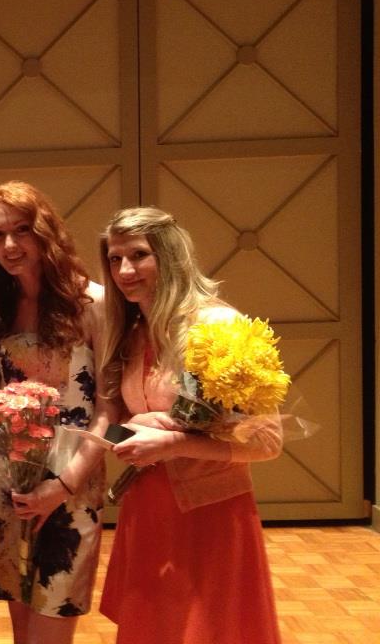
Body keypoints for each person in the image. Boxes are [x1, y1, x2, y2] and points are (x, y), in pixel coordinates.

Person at [96, 206, 282, 644]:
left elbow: (268, 441)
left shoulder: (219, 327)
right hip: (148, 508)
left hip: (210, 514)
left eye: (138, 255)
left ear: (169, 255)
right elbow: (126, 420)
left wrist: (173, 444)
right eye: (115, 259)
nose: (124, 271)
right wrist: (127, 429)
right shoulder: (131, 332)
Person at [0, 181, 113, 644]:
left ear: (45, 231)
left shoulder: (91, 302)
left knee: (52, 625)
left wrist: (63, 484)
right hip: (10, 484)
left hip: (71, 486)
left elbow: (107, 409)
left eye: (22, 230)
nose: (9, 245)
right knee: (22, 631)